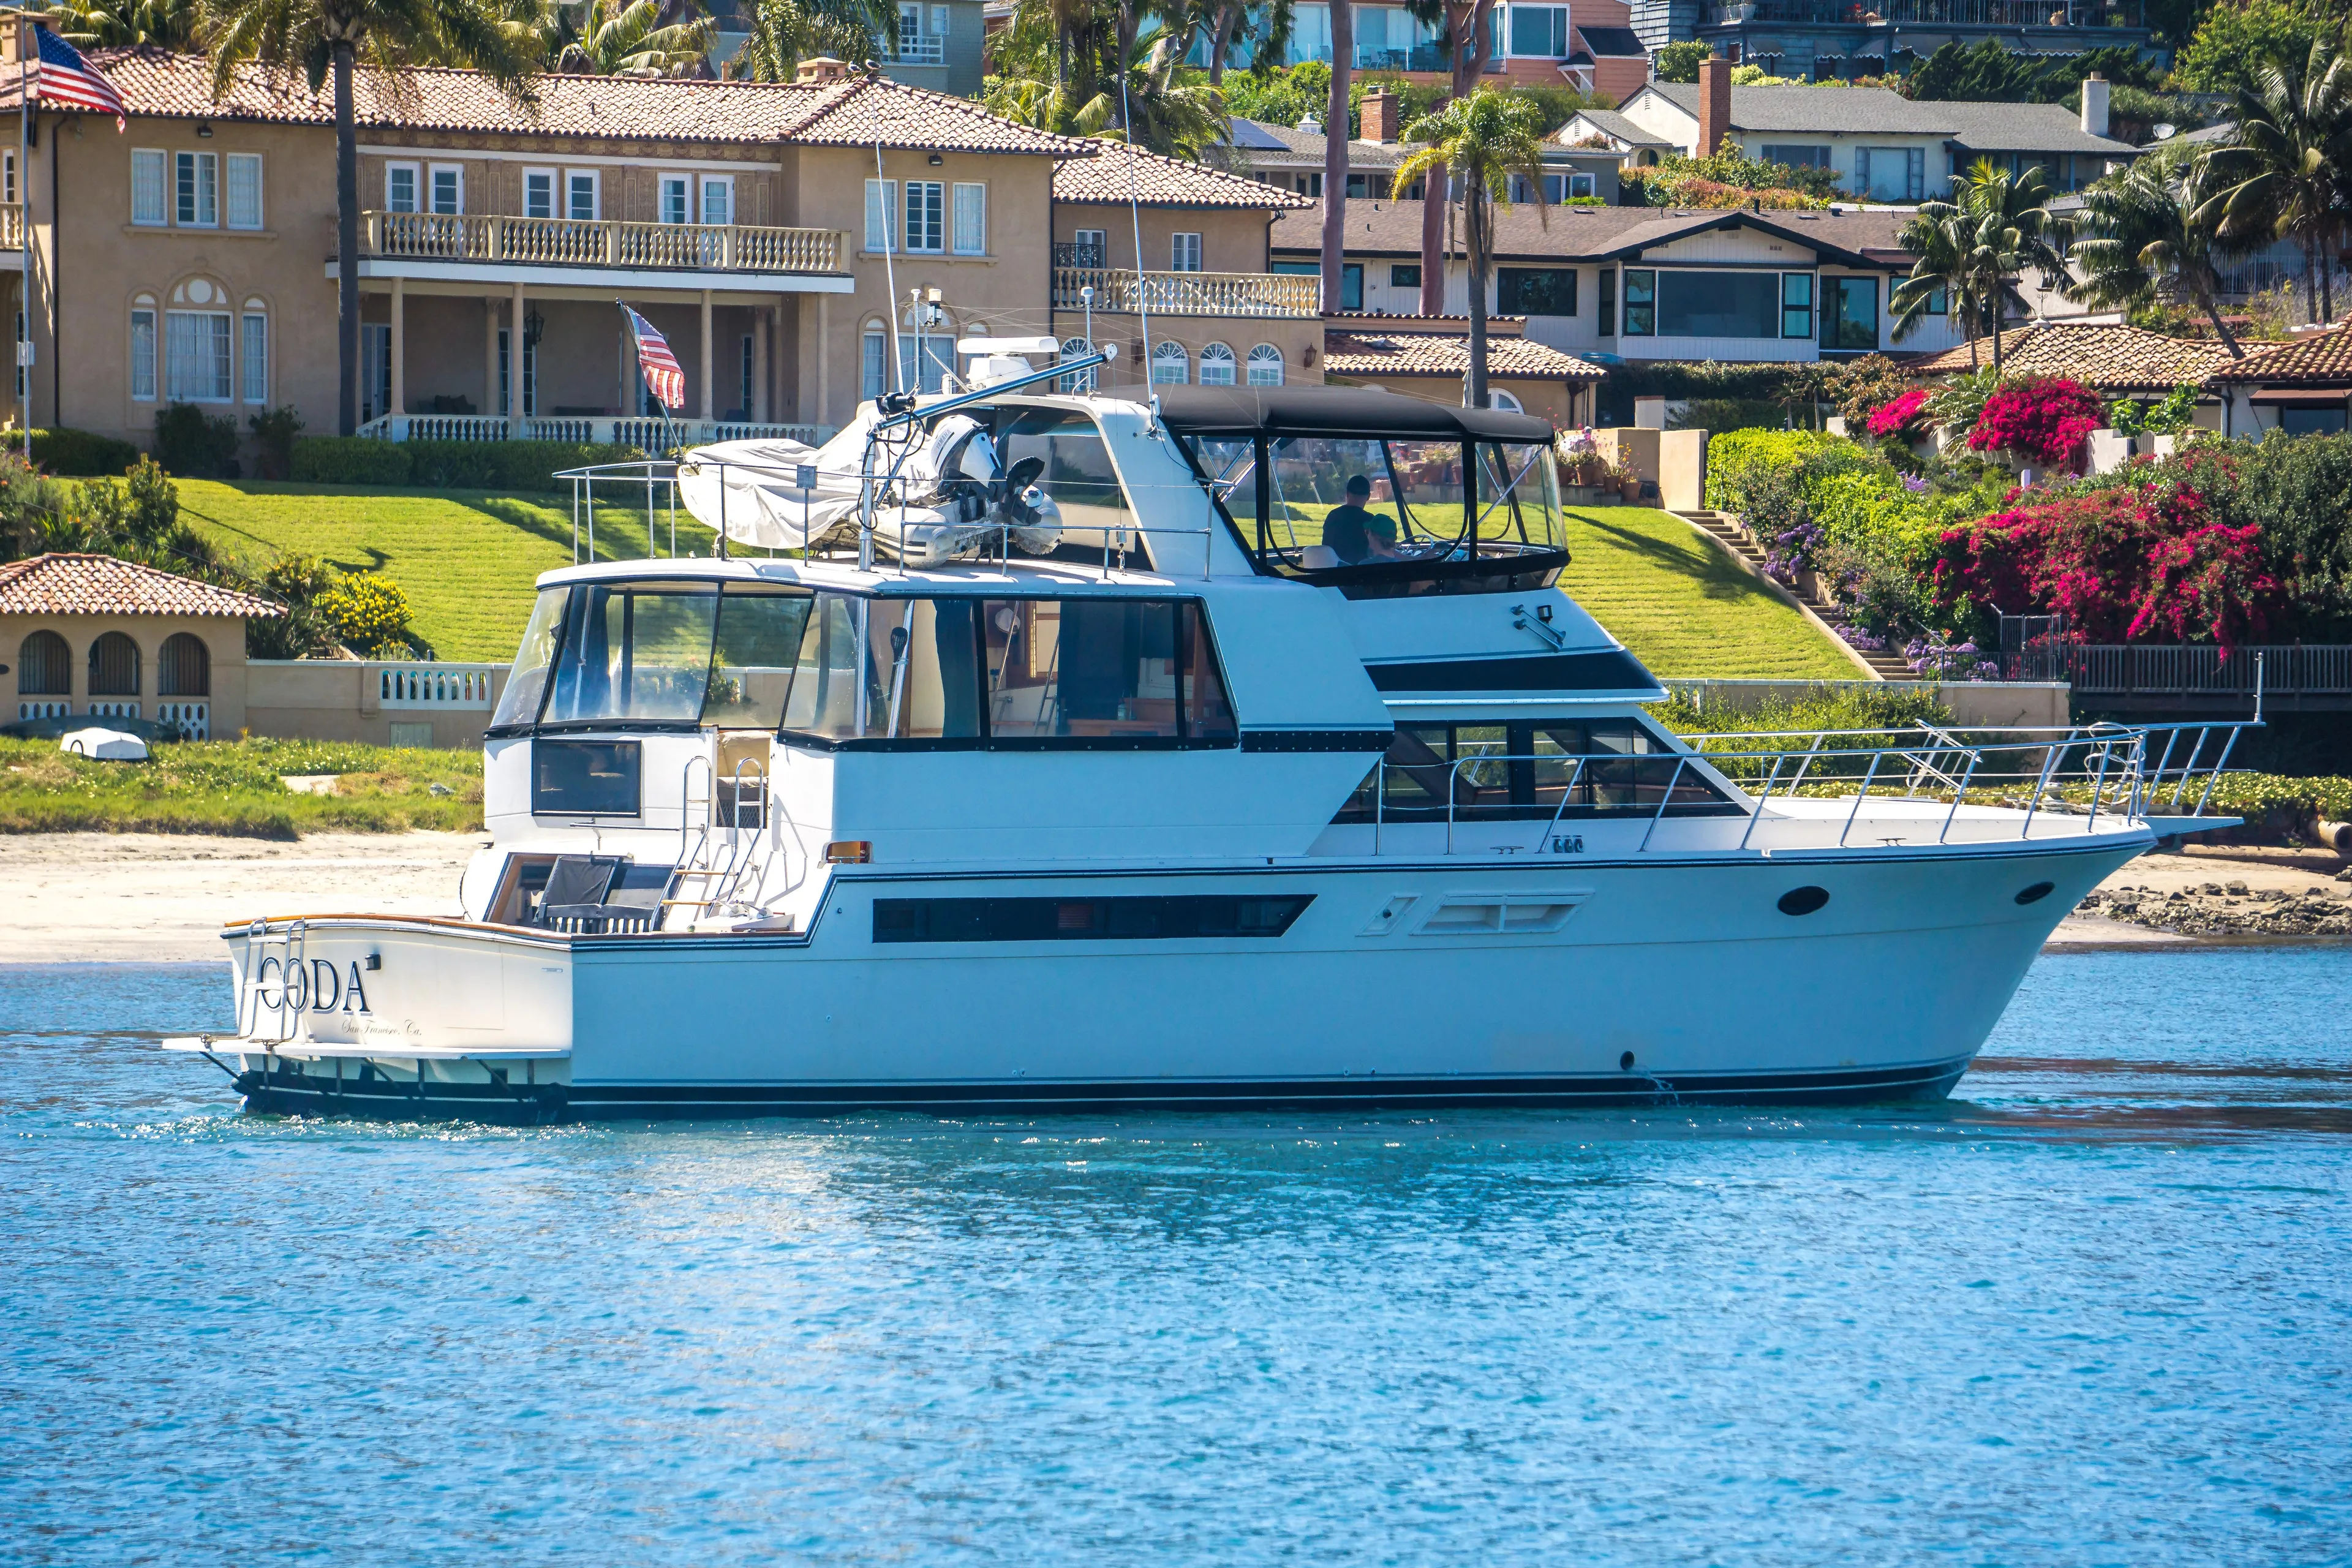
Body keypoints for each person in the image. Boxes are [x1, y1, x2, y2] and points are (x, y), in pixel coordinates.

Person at [1320, 475, 1400, 564]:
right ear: (1369, 496)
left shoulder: (1333, 517)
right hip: (1365, 573)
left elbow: (1326, 549)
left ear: (1347, 494)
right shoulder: (1371, 521)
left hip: (1335, 573)